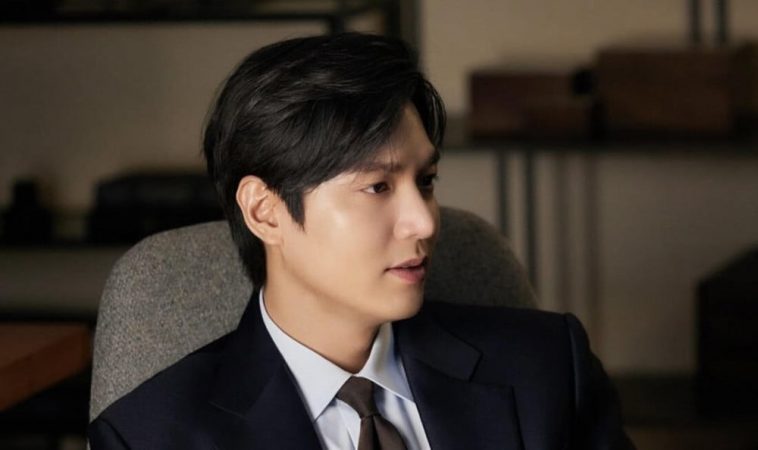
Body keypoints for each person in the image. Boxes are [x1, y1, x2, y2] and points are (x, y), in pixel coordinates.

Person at [88, 32, 634, 450]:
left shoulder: (549, 368)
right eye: (377, 186)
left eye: (426, 181)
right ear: (264, 212)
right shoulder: (148, 436)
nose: (423, 222)